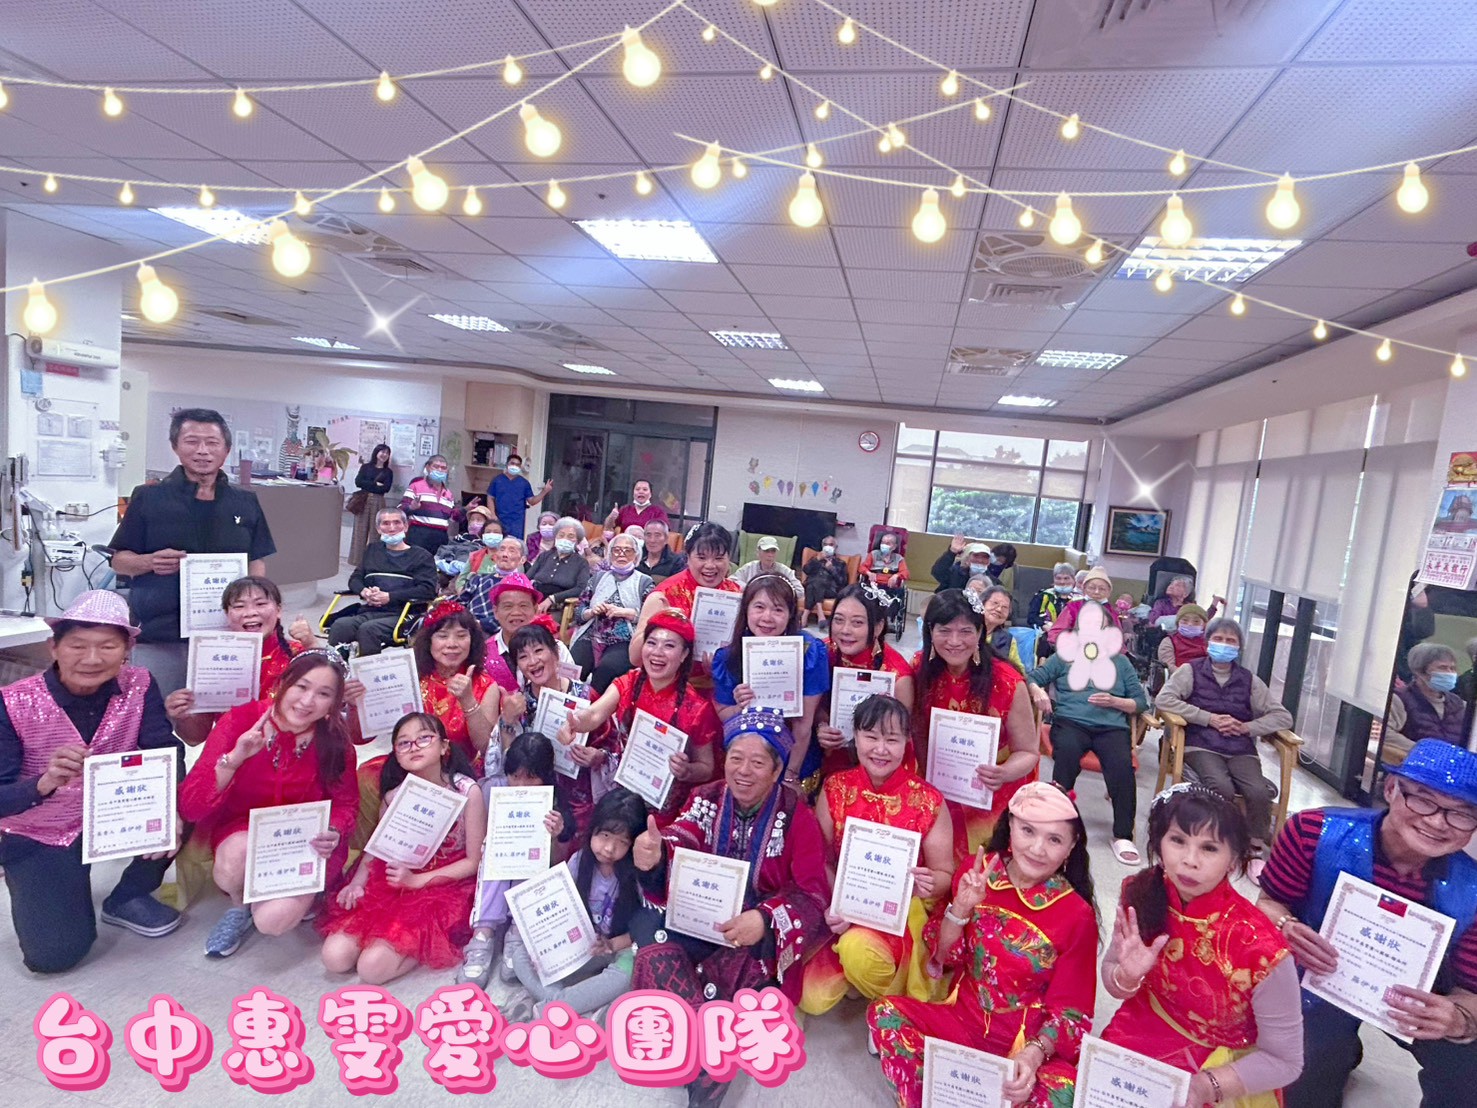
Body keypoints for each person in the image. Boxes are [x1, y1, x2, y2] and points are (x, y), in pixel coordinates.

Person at [1257, 739, 1477, 1107]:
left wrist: (1459, 1018)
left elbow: (1471, 991)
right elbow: (1268, 903)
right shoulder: (1313, 833)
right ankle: (1338, 1051)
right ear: (1391, 789)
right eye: (1423, 800)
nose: (1437, 822)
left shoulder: (1473, 889)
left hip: (1422, 998)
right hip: (1319, 978)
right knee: (1302, 1087)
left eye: (1461, 813)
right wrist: (1285, 926)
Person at [630, 707, 831, 1107]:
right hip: (704, 917)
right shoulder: (706, 797)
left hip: (754, 932)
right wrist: (657, 853)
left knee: (744, 969)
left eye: (757, 763)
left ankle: (699, 1046)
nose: (743, 771)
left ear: (777, 770)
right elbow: (684, 835)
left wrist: (764, 919)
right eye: (736, 758)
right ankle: (707, 1034)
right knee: (646, 929)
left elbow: (813, 896)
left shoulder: (797, 817)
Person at [869, 783, 1099, 1108]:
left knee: (1067, 1091)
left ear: (1071, 847)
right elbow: (944, 956)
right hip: (962, 1020)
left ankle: (952, 1093)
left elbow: (1072, 1012)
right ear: (1011, 825)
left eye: (1054, 840)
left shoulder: (1077, 914)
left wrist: (1033, 1055)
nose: (1037, 849)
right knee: (885, 1013)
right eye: (1028, 830)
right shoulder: (977, 873)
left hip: (1024, 1044)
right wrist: (960, 909)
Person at [0, 591, 183, 973]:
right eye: (78, 645)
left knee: (195, 799)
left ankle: (128, 895)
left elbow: (164, 749)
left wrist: (172, 813)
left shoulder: (140, 683)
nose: (92, 658)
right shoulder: (12, 702)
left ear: (128, 650)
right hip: (41, 828)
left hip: (116, 812)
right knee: (54, 956)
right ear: (53, 647)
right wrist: (44, 781)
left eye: (108, 646)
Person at [1102, 785, 1302, 1106]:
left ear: (1233, 861)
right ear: (1159, 843)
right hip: (1139, 1031)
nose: (1189, 861)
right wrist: (1126, 978)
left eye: (1209, 848)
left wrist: (1206, 1087)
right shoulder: (1140, 892)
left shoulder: (1264, 949)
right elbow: (1112, 974)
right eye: (1178, 840)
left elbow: (1286, 1060)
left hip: (1224, 1070)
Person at [179, 651, 358, 958]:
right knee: (233, 859)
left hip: (305, 840)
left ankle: (305, 891)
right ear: (283, 683)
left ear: (334, 703)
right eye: (302, 686)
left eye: (324, 694)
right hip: (243, 831)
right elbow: (191, 806)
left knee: (272, 922)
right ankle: (239, 907)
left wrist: (334, 829)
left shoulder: (334, 740)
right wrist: (235, 758)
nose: (307, 701)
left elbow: (346, 803)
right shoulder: (240, 721)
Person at [802, 695, 955, 1017]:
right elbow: (821, 860)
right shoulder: (836, 788)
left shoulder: (927, 800)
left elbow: (944, 874)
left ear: (907, 741)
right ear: (856, 737)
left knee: (858, 953)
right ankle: (862, 977)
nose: (880, 749)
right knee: (811, 998)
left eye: (892, 739)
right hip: (842, 907)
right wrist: (839, 904)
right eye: (871, 737)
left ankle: (890, 1000)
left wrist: (927, 884)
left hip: (900, 916)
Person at [110, 408, 276, 694]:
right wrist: (148, 562)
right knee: (159, 708)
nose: (202, 451)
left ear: (226, 450)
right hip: (163, 632)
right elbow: (118, 561)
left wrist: (254, 603)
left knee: (226, 709)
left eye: (212, 443)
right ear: (175, 446)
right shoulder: (149, 497)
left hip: (228, 632)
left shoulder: (245, 501)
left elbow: (256, 559)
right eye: (192, 441)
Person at [320, 713, 484, 982]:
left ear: (444, 746)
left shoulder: (467, 791)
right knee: (334, 958)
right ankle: (388, 941)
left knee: (371, 969)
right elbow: (378, 848)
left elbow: (473, 862)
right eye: (404, 743)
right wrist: (357, 883)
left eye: (424, 738)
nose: (414, 747)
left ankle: (416, 944)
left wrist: (416, 881)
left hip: (445, 884)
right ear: (395, 754)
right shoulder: (394, 795)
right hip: (394, 878)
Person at [501, 787, 648, 1024]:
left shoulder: (638, 875)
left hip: (621, 945)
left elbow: (646, 928)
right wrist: (545, 943)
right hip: (586, 942)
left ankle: (549, 1006)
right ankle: (570, 1007)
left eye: (622, 842)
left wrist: (612, 944)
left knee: (626, 976)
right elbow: (560, 907)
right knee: (521, 956)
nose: (609, 849)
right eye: (605, 836)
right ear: (593, 829)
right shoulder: (580, 861)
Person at [914, 589, 1040, 863]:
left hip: (989, 793)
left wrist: (1003, 773)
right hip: (933, 786)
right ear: (930, 631)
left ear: (981, 632)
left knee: (976, 873)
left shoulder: (1007, 682)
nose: (954, 641)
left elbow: (1029, 752)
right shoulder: (919, 671)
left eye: (965, 631)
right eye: (944, 631)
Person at [566, 608, 720, 826]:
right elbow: (594, 713)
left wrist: (687, 771)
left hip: (666, 808)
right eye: (652, 643)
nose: (657, 652)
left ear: (684, 654)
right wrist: (575, 722)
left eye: (669, 646)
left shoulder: (696, 708)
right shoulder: (629, 682)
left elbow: (706, 768)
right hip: (622, 792)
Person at [1155, 617, 1292, 858]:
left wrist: (1247, 727)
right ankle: (1220, 838)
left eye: (1231, 641)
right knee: (1221, 787)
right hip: (1201, 743)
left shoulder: (1250, 680)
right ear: (1208, 642)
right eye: (1218, 639)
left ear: (1239, 647)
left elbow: (1283, 717)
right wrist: (1208, 718)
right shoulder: (1190, 671)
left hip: (1240, 748)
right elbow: (1164, 700)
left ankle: (1254, 845)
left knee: (1259, 792)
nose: (1224, 644)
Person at [1027, 606, 1150, 865]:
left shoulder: (1120, 662)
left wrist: (1116, 701)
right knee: (1067, 754)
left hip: (1112, 727)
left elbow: (1140, 702)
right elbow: (1033, 678)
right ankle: (1056, 821)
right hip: (1070, 722)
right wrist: (1038, 691)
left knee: (1122, 767)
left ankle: (1123, 835)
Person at [456, 733, 573, 986]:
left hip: (533, 872)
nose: (520, 784)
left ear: (545, 775)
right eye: (515, 776)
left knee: (530, 854)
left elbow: (559, 862)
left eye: (530, 777)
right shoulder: (492, 789)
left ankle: (518, 932)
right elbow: (477, 841)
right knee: (492, 849)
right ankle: (483, 935)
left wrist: (555, 836)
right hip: (495, 867)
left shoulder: (555, 801)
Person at [712, 574, 831, 796]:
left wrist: (790, 775)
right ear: (746, 610)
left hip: (795, 755)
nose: (767, 617)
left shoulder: (809, 651)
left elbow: (803, 724)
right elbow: (723, 713)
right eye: (759, 607)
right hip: (746, 758)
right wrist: (741, 707)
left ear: (790, 614)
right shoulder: (728, 656)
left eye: (778, 609)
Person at [495, 621, 615, 840]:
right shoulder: (518, 703)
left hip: (582, 796)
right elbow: (509, 759)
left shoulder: (585, 696)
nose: (533, 661)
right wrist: (507, 720)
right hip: (536, 796)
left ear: (556, 654)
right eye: (523, 657)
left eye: (538, 651)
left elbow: (613, 743)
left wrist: (597, 757)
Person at [165, 575, 315, 745]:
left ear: (278, 610)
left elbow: (332, 706)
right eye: (239, 606)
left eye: (260, 604)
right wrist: (183, 715)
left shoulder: (300, 654)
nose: (250, 613)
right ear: (227, 614)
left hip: (290, 752)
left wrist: (312, 645)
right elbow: (195, 738)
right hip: (233, 754)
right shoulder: (212, 661)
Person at [814, 583, 918, 779]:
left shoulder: (897, 676)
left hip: (876, 766)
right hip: (826, 753)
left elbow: (900, 738)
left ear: (878, 627)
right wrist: (821, 725)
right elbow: (813, 704)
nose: (845, 630)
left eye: (857, 623)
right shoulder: (822, 653)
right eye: (838, 620)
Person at [630, 521, 741, 688]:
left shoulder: (738, 595)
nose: (710, 566)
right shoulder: (665, 595)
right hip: (672, 688)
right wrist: (662, 621)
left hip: (723, 689)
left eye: (719, 558)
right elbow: (635, 658)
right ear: (687, 557)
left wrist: (722, 667)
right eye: (701, 557)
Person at [328, 507, 438, 657]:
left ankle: (369, 670)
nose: (392, 528)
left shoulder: (421, 556)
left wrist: (390, 597)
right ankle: (336, 666)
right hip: (371, 610)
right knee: (340, 625)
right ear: (378, 528)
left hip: (404, 614)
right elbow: (355, 579)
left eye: (397, 523)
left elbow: (427, 590)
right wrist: (364, 591)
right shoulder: (372, 551)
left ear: (406, 526)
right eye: (386, 523)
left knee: (368, 630)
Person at [570, 532, 652, 693]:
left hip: (624, 639)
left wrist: (628, 613)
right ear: (610, 554)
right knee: (573, 666)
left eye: (628, 550)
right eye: (617, 550)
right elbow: (578, 611)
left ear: (636, 556)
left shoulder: (644, 582)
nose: (621, 554)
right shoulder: (597, 578)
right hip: (591, 634)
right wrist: (591, 612)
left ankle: (592, 704)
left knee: (607, 669)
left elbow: (651, 618)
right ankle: (566, 702)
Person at [480, 574, 575, 693]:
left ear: (535, 610)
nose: (516, 612)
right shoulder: (484, 654)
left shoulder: (557, 648)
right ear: (495, 612)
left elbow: (574, 690)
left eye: (523, 606)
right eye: (508, 606)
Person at [1396, 642, 1468, 745]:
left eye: (1452, 668)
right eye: (1442, 668)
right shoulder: (1399, 699)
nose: (1449, 673)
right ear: (1419, 671)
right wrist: (1424, 750)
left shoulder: (1460, 705)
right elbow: (1387, 735)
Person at [528, 516, 592, 615]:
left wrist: (552, 598)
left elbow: (581, 588)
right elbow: (526, 578)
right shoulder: (544, 556)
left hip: (558, 608)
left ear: (577, 541)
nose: (565, 539)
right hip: (533, 602)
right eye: (561, 535)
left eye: (570, 536)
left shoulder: (581, 563)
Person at [399, 455, 460, 556]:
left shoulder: (448, 493)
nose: (440, 470)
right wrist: (411, 508)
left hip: (440, 538)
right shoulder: (416, 486)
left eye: (443, 468)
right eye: (436, 467)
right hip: (418, 535)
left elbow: (453, 517)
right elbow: (400, 511)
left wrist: (466, 509)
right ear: (427, 467)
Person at [1046, 566, 1121, 646]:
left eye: (1102, 589)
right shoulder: (1073, 607)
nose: (1096, 592)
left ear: (1109, 592)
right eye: (1092, 588)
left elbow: (1118, 640)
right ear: (1084, 589)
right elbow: (1056, 632)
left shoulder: (1112, 612)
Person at [348, 443, 395, 568]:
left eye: (387, 453)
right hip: (363, 500)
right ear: (376, 452)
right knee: (359, 531)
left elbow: (385, 488)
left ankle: (374, 561)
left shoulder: (388, 472)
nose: (384, 455)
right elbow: (358, 482)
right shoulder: (366, 467)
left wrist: (369, 484)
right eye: (382, 452)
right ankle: (357, 561)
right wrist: (375, 485)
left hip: (379, 501)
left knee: (377, 532)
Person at [489, 454, 553, 540]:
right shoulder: (497, 480)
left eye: (517, 465)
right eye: (512, 463)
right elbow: (490, 497)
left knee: (516, 543)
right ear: (507, 464)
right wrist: (492, 514)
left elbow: (532, 501)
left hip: (517, 521)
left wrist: (544, 491)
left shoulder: (524, 483)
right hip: (499, 517)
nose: (514, 466)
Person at [730, 536, 804, 602]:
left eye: (773, 551)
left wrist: (778, 592)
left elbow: (800, 591)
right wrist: (750, 589)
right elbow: (731, 581)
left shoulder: (785, 570)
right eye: (766, 551)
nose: (770, 555)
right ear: (758, 552)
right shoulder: (749, 567)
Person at [860, 531, 909, 625]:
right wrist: (869, 573)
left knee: (900, 593)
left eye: (888, 543)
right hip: (874, 585)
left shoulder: (899, 558)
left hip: (890, 586)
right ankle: (871, 617)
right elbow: (862, 567)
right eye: (882, 542)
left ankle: (888, 619)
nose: (884, 545)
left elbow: (906, 573)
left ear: (894, 547)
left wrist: (896, 576)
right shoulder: (873, 554)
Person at [802, 536, 850, 629]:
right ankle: (820, 614)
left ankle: (805, 615)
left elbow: (843, 582)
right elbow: (806, 570)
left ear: (835, 547)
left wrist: (832, 569)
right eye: (825, 545)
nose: (828, 547)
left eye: (831, 545)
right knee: (813, 585)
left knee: (814, 583)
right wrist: (817, 560)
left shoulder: (840, 563)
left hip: (830, 590)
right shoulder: (816, 559)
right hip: (814, 588)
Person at [435, 504, 495, 579]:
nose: (474, 522)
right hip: (450, 568)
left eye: (479, 520)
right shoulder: (460, 538)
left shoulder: (487, 543)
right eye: (472, 519)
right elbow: (446, 549)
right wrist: (448, 561)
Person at [978, 584, 1025, 672]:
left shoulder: (1008, 640)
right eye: (995, 603)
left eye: (1005, 607)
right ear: (982, 604)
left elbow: (1018, 670)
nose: (999, 609)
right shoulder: (967, 631)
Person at [1147, 574, 1223, 626]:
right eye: (1171, 584)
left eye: (1177, 585)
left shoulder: (1189, 607)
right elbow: (1153, 620)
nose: (1171, 586)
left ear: (1185, 594)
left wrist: (1215, 602)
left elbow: (1203, 617)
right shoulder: (1161, 603)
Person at [604, 479, 670, 532]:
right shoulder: (625, 509)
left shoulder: (658, 511)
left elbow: (664, 530)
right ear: (633, 494)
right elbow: (608, 528)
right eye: (637, 489)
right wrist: (611, 517)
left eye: (645, 489)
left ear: (650, 494)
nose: (641, 492)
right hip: (625, 542)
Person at [1156, 602, 1209, 668]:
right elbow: (1168, 667)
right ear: (1178, 623)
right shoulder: (1169, 641)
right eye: (1185, 620)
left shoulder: (1209, 642)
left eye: (1196, 621)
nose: (1190, 624)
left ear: (1204, 625)